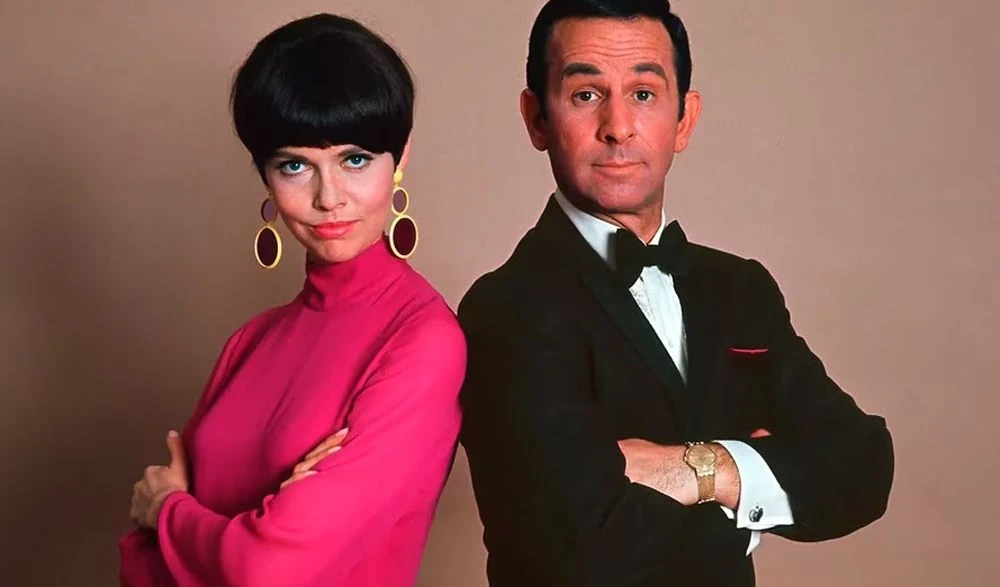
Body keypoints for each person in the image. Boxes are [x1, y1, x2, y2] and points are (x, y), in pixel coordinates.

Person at [458, 1, 894, 585]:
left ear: (684, 119)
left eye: (644, 94)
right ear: (536, 118)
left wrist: (705, 469)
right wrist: (758, 488)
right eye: (586, 95)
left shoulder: (741, 289)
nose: (618, 126)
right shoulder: (502, 309)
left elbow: (864, 464)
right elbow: (578, 545)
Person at [118, 13, 466, 587]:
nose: (329, 198)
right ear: (266, 176)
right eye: (295, 165)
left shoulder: (424, 341)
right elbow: (143, 563)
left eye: (355, 159)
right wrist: (258, 523)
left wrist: (168, 510)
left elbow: (268, 570)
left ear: (400, 157)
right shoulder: (250, 342)